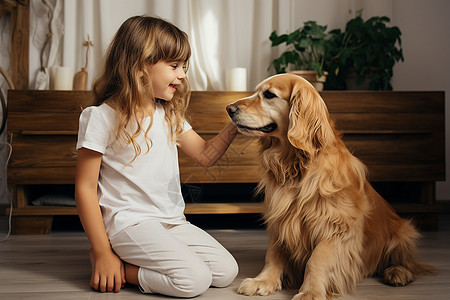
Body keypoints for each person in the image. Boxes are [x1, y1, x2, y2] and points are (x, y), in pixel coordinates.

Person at [75, 16, 239, 298]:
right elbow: (85, 188)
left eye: (184, 67)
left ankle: (128, 262)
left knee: (226, 272)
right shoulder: (100, 117)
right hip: (130, 224)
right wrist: (103, 252)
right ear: (139, 65)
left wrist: (236, 124)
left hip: (171, 221)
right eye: (174, 66)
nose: (183, 74)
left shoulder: (169, 114)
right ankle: (119, 266)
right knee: (193, 280)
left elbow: (204, 155)